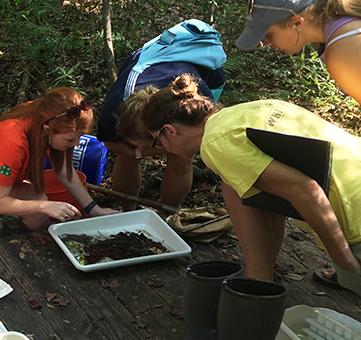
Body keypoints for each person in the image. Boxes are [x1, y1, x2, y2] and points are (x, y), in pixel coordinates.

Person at [131, 74, 361, 295]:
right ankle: (260, 278)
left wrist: (346, 264)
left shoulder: (215, 143)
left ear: (169, 131)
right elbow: (273, 199)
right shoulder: (243, 113)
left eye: (157, 140)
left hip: (356, 225)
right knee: (232, 185)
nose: (160, 148)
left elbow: (306, 189)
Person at [0, 87, 119, 250]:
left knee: (39, 210)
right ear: (48, 130)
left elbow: (64, 170)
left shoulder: (48, 115)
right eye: (71, 140)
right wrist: (47, 206)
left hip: (1, 186)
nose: (76, 144)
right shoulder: (12, 142)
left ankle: (20, 248)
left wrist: (95, 210)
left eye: (79, 138)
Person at [97, 19, 227, 211]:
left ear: (166, 129)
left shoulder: (197, 104)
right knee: (127, 156)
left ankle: (167, 217)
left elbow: (186, 149)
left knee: (181, 157)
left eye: (151, 142)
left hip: (201, 69)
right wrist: (136, 152)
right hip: (149, 60)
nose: (141, 148)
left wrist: (144, 150)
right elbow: (113, 145)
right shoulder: (113, 109)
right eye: (135, 143)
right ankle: (127, 212)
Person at [236, 0, 361, 103]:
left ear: (297, 22)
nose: (266, 43)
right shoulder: (329, 33)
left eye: (269, 35)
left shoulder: (343, 51)